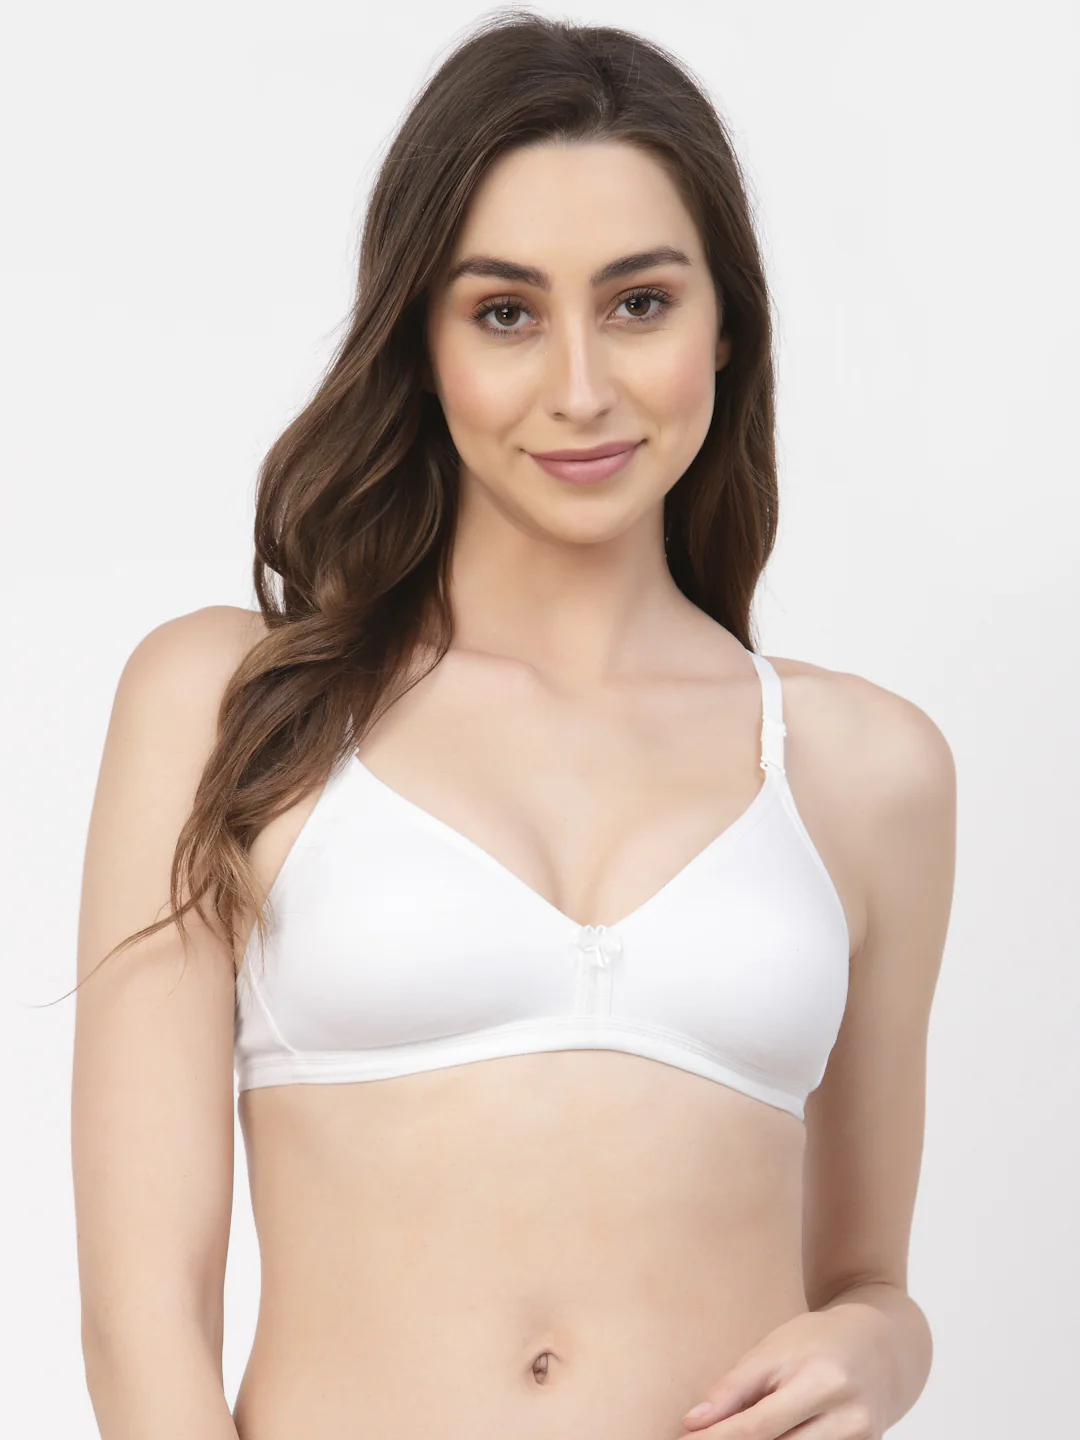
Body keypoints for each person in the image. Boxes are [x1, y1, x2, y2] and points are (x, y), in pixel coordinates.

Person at [70, 13, 956, 1440]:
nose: (581, 388)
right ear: (422, 344)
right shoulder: (230, 706)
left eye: (639, 303)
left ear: (726, 327)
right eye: (505, 313)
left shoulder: (866, 769)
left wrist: (882, 1350)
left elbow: (868, 1283)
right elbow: (141, 1320)